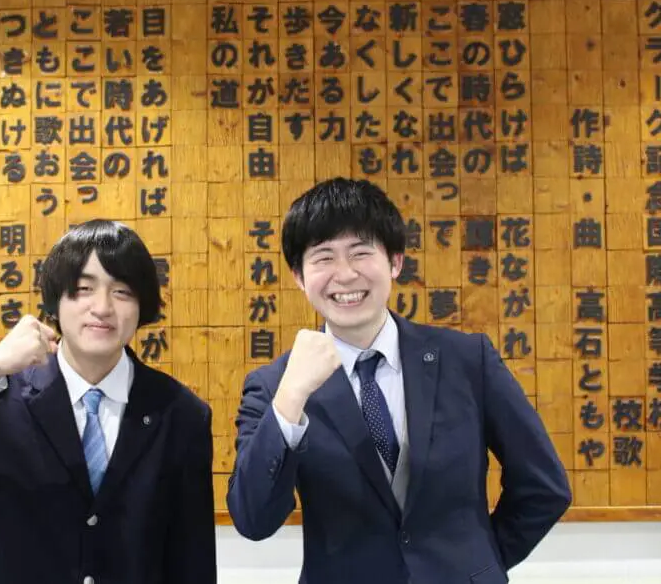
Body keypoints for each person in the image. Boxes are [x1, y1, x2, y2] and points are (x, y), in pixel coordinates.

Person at [227, 177, 571, 584]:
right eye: (323, 257)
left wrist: (480, 564)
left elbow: (544, 486)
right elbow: (253, 519)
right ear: (299, 276)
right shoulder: (274, 386)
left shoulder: (467, 360)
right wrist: (290, 399)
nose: (345, 274)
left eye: (361, 252)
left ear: (395, 262)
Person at [0, 219, 216, 584]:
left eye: (122, 291)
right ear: (55, 300)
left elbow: (193, 560)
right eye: (83, 288)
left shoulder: (181, 414)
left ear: (143, 305)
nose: (102, 307)